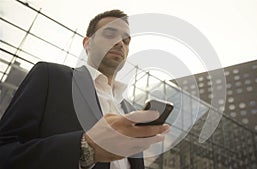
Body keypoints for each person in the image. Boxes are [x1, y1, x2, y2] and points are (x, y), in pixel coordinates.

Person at [0, 9, 169, 169]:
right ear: (87, 43)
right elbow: (5, 151)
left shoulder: (131, 112)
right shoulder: (51, 76)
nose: (120, 43)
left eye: (126, 40)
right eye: (110, 34)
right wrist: (85, 147)